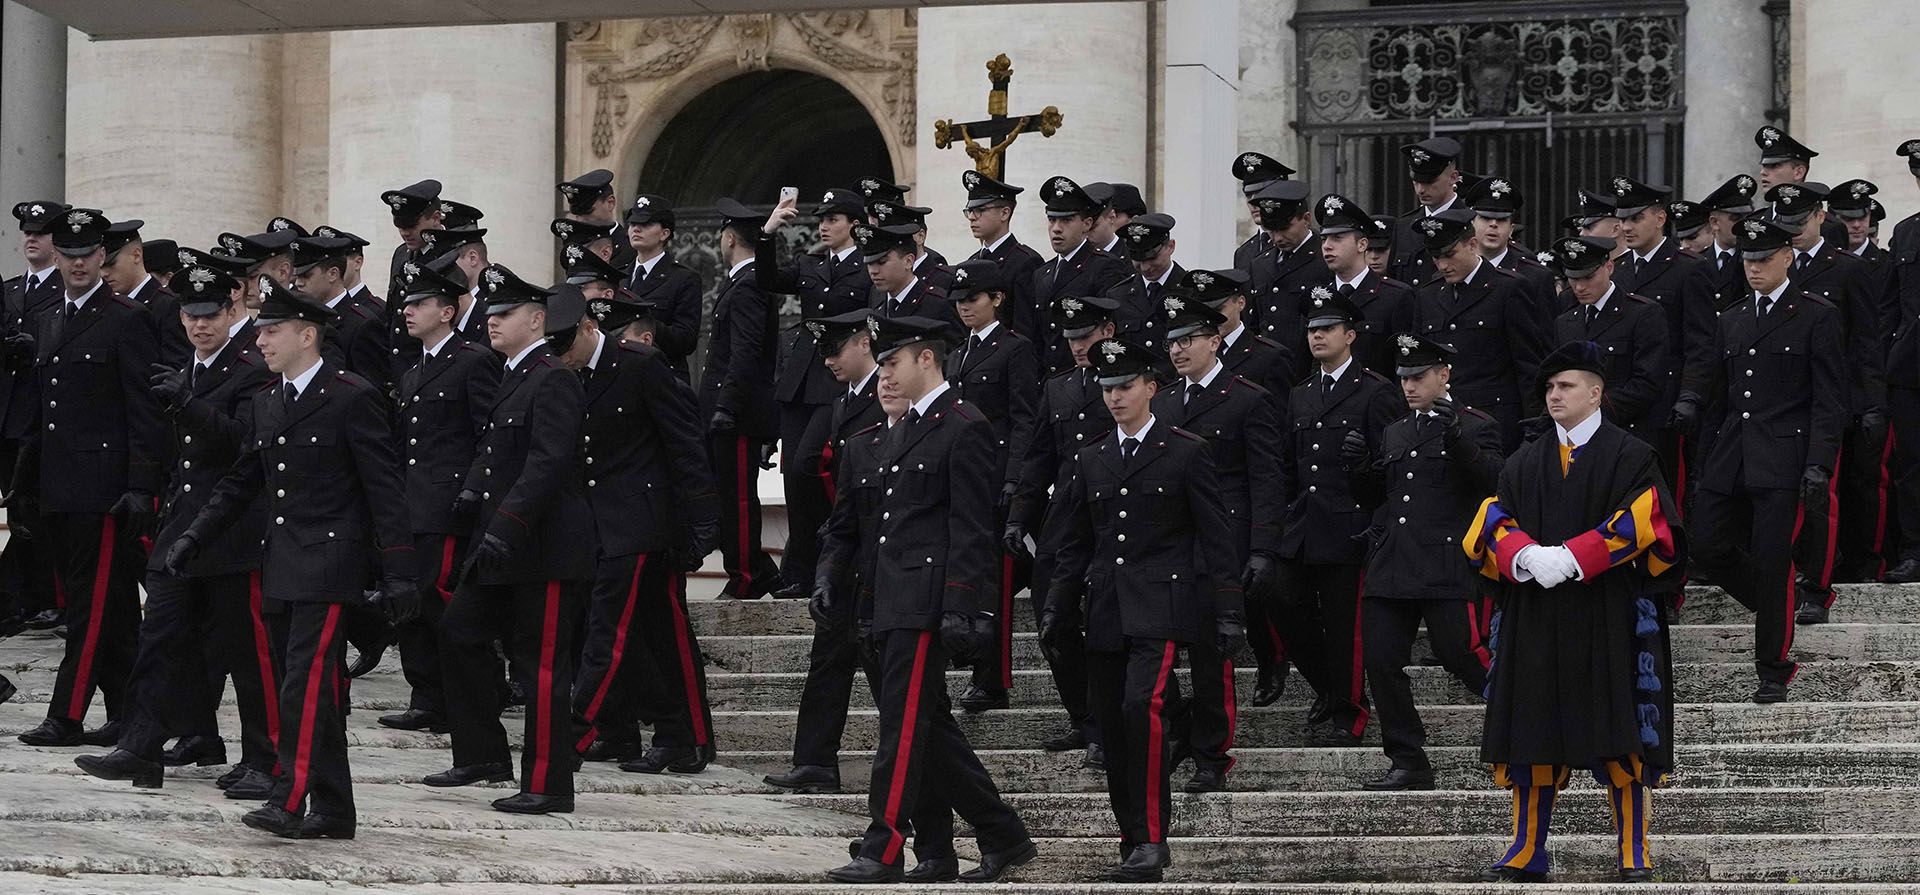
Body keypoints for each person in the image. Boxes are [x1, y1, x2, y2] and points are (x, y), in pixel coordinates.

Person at [162, 275, 416, 839]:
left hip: (330, 567)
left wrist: (399, 572)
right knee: (308, 689)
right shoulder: (267, 400)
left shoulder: (351, 396)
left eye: (272, 330)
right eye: (260, 331)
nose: (261, 342)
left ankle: (290, 797)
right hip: (279, 564)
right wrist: (195, 536)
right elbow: (242, 480)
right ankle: (334, 809)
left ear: (307, 334)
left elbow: (385, 491)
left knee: (303, 684)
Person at [824, 315, 1035, 886]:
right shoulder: (889, 431)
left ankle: (883, 845)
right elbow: (867, 525)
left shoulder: (963, 426)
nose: (883, 373)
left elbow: (971, 529)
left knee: (903, 729)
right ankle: (979, 839)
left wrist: (964, 608)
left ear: (925, 359)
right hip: (883, 600)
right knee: (927, 730)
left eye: (891, 362)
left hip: (926, 603)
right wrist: (834, 580)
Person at [1463, 340, 1680, 884]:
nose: (1553, 395)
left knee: (1621, 728)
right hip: (1536, 611)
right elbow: (1494, 520)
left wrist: (1577, 556)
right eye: (1550, 387)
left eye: (1565, 386)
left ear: (1596, 392)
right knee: (1531, 727)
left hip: (1609, 611)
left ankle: (1634, 848)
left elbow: (1648, 519)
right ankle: (1527, 848)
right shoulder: (1525, 459)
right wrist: (1525, 555)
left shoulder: (1631, 455)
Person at [73, 252, 280, 796]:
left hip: (236, 533)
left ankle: (267, 758)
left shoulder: (252, 368)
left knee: (246, 651)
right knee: (159, 637)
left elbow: (246, 447)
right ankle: (141, 747)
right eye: (190, 314)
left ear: (234, 305)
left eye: (210, 313)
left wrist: (189, 407)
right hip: (182, 529)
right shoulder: (187, 367)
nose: (200, 325)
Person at [1048, 336, 1240, 882]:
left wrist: (1228, 611)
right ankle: (1132, 838)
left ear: (1151, 388)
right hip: (1107, 605)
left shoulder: (1185, 450)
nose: (1114, 397)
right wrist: (1059, 604)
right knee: (1112, 725)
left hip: (1163, 604)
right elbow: (1077, 541)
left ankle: (1154, 839)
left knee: (1143, 708)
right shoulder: (1093, 456)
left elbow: (1216, 536)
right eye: (1107, 388)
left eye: (1125, 386)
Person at [429, 264, 594, 815]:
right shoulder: (514, 375)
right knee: (459, 633)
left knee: (540, 665)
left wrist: (505, 525)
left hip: (541, 549)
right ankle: (482, 754)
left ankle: (548, 784)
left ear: (537, 319)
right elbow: (495, 452)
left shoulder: (554, 377)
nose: (493, 322)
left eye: (505, 314)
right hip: (499, 543)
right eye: (492, 313)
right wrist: (471, 498)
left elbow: (547, 463)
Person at [546, 283, 720, 773]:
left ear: (589, 326)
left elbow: (686, 444)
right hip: (596, 527)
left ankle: (578, 735)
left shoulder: (639, 365)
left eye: (565, 343)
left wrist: (704, 521)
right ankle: (674, 736)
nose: (561, 355)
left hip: (642, 525)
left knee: (618, 633)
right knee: (650, 637)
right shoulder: (568, 373)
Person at [11, 209, 165, 749]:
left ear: (103, 257)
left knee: (93, 607)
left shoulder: (126, 318)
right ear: (59, 256)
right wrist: (23, 486)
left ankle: (67, 715)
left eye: (87, 255)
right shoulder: (50, 316)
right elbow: (43, 412)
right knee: (114, 608)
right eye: (69, 255)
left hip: (104, 491)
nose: (78, 264)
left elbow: (143, 410)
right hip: (59, 486)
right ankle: (128, 714)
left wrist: (143, 486)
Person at [1689, 217, 1847, 704]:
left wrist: (1819, 462)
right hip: (1733, 450)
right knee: (1706, 544)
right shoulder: (1732, 317)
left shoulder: (1815, 315)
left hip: (1784, 454)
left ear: (1786, 257)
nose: (1752, 267)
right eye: (1746, 258)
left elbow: (1829, 399)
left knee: (1775, 557)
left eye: (1762, 259)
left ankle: (1774, 669)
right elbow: (1720, 398)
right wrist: (1704, 463)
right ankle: (1773, 601)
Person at [1344, 333, 1501, 791]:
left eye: (1418, 376)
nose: (1408, 386)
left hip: (1444, 560)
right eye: (1403, 378)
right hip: (1393, 560)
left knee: (1462, 655)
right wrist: (1358, 470)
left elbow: (1497, 481)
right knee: (1382, 662)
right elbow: (1384, 497)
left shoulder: (1473, 424)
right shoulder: (1397, 429)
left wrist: (1457, 442)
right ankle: (1407, 758)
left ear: (1443, 375)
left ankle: (1527, 711)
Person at [1151, 297, 1282, 792]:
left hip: (1222, 545)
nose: (1179, 350)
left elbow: (1266, 479)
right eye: (1172, 342)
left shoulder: (1247, 398)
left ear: (1214, 340)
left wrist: (1263, 548)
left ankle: (1211, 755)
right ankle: (1182, 728)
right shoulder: (1162, 401)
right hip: (1169, 547)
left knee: (1211, 658)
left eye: (1188, 340)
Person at [1275, 290, 1405, 744]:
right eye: (1311, 329)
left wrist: (1378, 520)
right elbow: (1291, 466)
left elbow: (1390, 465)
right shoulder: (1301, 394)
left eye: (1326, 329)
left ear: (1350, 336)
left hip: (1350, 526)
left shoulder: (1376, 391)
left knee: (1345, 625)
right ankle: (1329, 691)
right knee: (1281, 602)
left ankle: (1350, 712)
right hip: (1304, 527)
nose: (1317, 337)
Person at [766, 309, 886, 795]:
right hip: (845, 550)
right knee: (828, 659)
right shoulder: (842, 403)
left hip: (880, 554)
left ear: (864, 343)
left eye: (836, 350)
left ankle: (917, 763)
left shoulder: (887, 395)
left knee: (884, 671)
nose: (828, 360)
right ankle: (814, 760)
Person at [380, 261, 499, 735]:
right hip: (413, 505)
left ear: (448, 311)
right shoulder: (413, 373)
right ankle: (426, 694)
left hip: (450, 506)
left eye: (420, 303)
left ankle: (466, 698)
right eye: (406, 302)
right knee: (411, 604)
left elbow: (488, 434)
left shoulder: (473, 360)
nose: (407, 311)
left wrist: (473, 488)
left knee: (444, 603)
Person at [1008, 294, 1123, 765]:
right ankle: (1083, 717)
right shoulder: (1057, 389)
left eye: (1086, 335)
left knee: (1103, 626)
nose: (1077, 346)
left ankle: (1107, 722)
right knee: (1053, 623)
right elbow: (1038, 457)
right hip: (1062, 520)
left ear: (1108, 332)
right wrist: (1019, 515)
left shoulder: (1125, 383)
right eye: (1071, 337)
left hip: (1109, 518)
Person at [1769, 182, 1887, 611]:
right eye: (1786, 224)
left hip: (1831, 400)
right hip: (1779, 400)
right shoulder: (1772, 263)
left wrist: (1872, 403)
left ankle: (1822, 580)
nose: (1793, 232)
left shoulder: (1847, 270)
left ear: (1820, 215)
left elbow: (1865, 344)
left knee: (1826, 492)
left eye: (1800, 222)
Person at [761, 187, 874, 601]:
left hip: (838, 378)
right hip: (801, 377)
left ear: (854, 225)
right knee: (793, 474)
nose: (824, 226)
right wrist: (768, 231)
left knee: (814, 464)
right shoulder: (809, 262)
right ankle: (799, 571)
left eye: (833, 220)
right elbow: (768, 278)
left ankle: (835, 557)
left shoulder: (866, 267)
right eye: (821, 219)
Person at [943, 260, 1040, 713]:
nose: (964, 307)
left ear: (996, 299)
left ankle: (993, 679)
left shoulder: (1014, 349)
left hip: (998, 477)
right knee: (971, 577)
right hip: (965, 479)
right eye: (959, 301)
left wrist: (1016, 477)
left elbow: (1024, 419)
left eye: (973, 299)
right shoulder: (957, 353)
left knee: (995, 584)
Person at [1409, 210, 1547, 449]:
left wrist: (1532, 432)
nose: (1443, 265)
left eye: (1450, 255)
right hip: (1441, 424)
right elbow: (1418, 364)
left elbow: (1529, 366)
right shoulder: (1428, 295)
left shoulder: (1509, 289)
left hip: (1495, 425)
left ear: (1472, 244)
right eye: (1436, 257)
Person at [704, 199, 783, 599]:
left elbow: (746, 351)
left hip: (737, 413)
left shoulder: (750, 283)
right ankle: (756, 568)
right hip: (729, 409)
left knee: (736, 496)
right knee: (726, 494)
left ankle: (747, 575)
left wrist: (726, 406)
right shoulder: (742, 280)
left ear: (730, 237)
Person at [0, 201, 67, 635]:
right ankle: (23, 599)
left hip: (43, 419)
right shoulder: (9, 289)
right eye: (26, 231)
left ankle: (48, 597)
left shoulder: (66, 290)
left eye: (40, 232)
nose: (31, 238)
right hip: (8, 419)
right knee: (17, 511)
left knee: (42, 512)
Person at [1544, 236, 1674, 439]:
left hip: (1629, 432)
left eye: (1588, 277)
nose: (1579, 287)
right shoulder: (1566, 321)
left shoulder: (1642, 314)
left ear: (1609, 267)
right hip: (1577, 434)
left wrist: (1588, 412)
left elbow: (1648, 382)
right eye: (1574, 278)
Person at [1030, 175, 1130, 373]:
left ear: (1087, 224)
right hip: (1051, 386)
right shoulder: (1042, 274)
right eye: (1052, 220)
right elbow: (1037, 337)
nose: (1056, 228)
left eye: (1067, 220)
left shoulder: (1106, 267)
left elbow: (1115, 330)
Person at [1314, 193, 1415, 378]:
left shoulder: (1396, 297)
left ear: (1362, 245)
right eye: (1324, 239)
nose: (1327, 246)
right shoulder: (1319, 298)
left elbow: (1405, 366)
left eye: (1337, 238)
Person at [1884, 139, 1920, 583]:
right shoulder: (1906, 232)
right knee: (1912, 464)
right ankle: (1915, 550)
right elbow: (1888, 307)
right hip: (1910, 367)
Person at [1245, 180, 1330, 361]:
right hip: (1268, 368)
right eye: (1271, 230)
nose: (1277, 238)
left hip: (1307, 366)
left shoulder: (1325, 259)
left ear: (1306, 219)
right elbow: (1254, 323)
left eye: (1284, 229)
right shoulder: (1260, 264)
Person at [620, 194, 702, 380]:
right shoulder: (619, 277)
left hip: (662, 377)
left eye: (646, 224)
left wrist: (642, 321)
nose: (636, 229)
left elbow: (686, 340)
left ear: (664, 233)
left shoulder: (683, 278)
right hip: (623, 377)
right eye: (632, 224)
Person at [959, 170, 1045, 343]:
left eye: (981, 210)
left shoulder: (1025, 261)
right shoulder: (973, 261)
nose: (972, 217)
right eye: (969, 210)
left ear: (1004, 213)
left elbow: (1024, 328)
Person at [99, 220, 190, 366]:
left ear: (136, 255)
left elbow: (176, 368)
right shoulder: (107, 305)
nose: (104, 273)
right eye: (100, 266)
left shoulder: (167, 305)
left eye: (110, 264)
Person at [1389, 136, 1466, 289]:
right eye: (1416, 182)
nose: (1420, 190)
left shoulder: (1470, 221)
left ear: (1453, 177)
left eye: (1429, 182)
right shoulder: (1404, 226)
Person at [1104, 212, 1183, 356]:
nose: (1145, 267)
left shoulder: (1189, 291)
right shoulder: (1117, 296)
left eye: (1152, 258)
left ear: (1171, 247)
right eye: (1138, 259)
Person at [862, 222, 955, 325]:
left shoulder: (937, 305)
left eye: (882, 262)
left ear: (908, 261)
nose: (873, 271)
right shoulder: (877, 300)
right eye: (869, 264)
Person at [1230, 151, 1295, 270]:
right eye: (1249, 195)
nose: (1252, 203)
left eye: (1260, 194)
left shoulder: (1301, 241)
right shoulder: (1243, 254)